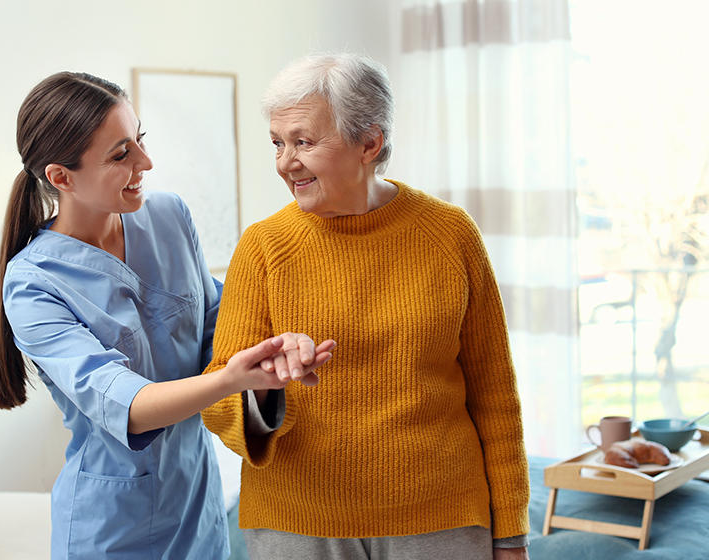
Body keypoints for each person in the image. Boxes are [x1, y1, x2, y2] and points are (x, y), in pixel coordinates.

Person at [0, 71, 334, 560]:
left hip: (197, 507)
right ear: (61, 178)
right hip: (111, 530)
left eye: (139, 139)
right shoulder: (33, 284)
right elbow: (126, 405)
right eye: (120, 155)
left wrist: (272, 355)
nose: (145, 162)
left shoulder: (169, 216)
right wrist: (230, 379)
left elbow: (220, 326)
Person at [201, 52, 530, 560]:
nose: (285, 162)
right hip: (298, 524)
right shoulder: (263, 246)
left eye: (304, 142)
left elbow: (495, 395)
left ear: (369, 143)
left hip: (440, 519)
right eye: (277, 143)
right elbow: (220, 401)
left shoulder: (451, 234)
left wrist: (511, 535)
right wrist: (267, 384)